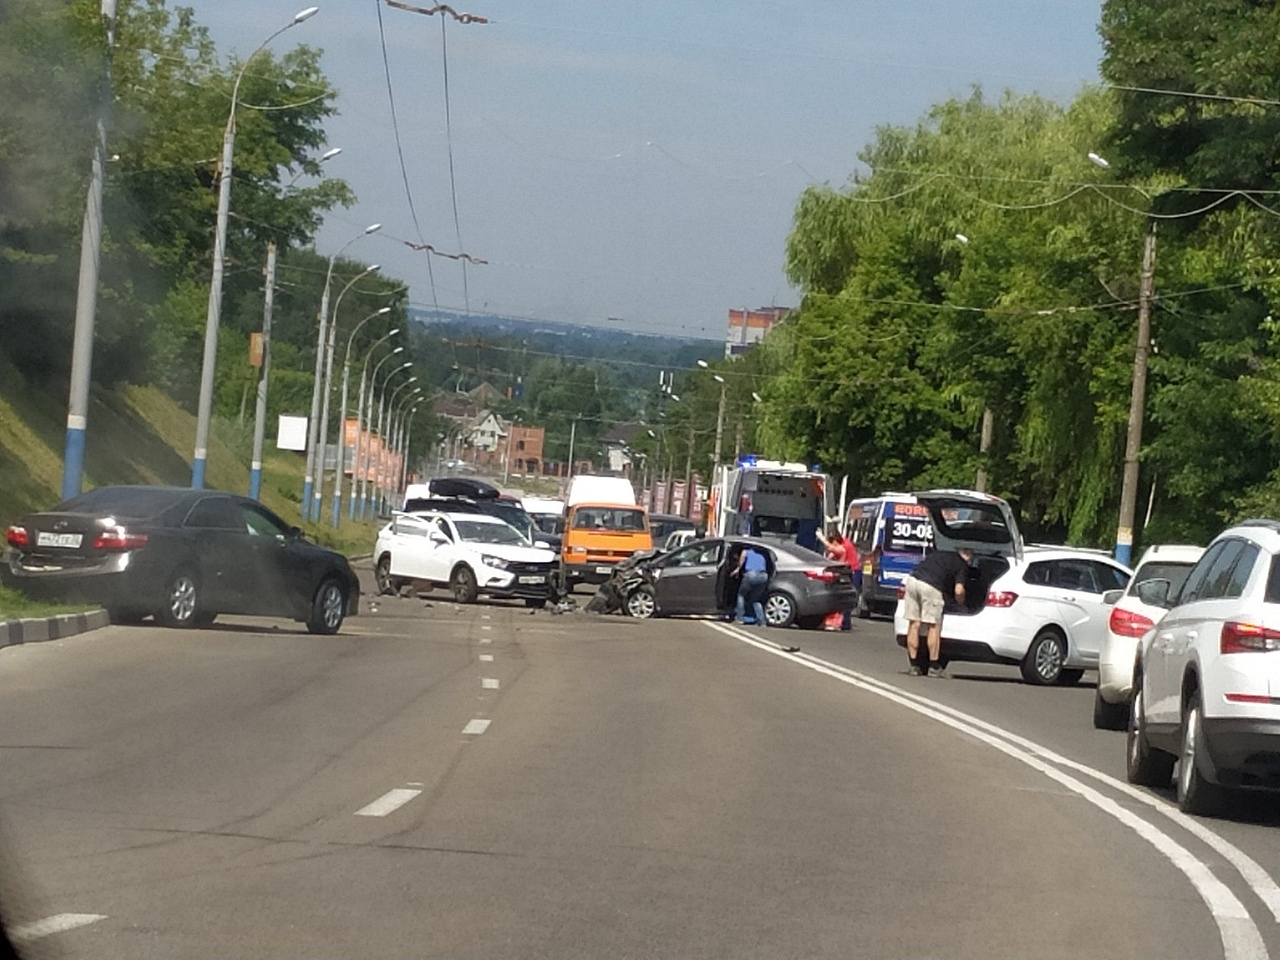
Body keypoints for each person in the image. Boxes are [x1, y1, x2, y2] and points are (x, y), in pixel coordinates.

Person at [903, 546, 974, 677]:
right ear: (968, 559)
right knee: (933, 626)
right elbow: (958, 590)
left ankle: (914, 666)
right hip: (931, 586)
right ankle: (934, 666)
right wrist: (961, 603)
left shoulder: (938, 554)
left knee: (914, 624)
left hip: (912, 581)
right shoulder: (961, 565)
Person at [816, 525, 852, 630]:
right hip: (831, 578)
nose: (832, 543)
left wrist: (821, 538)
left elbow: (831, 548)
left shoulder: (841, 549)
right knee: (831, 600)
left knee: (836, 602)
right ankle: (830, 622)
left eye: (833, 541)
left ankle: (835, 623)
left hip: (837, 577)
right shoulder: (835, 551)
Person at [732, 543, 770, 625]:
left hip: (751, 574)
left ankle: (739, 618)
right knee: (755, 599)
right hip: (763, 576)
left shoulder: (746, 551)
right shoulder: (763, 553)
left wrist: (737, 569)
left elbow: (741, 562)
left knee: (741, 595)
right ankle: (762, 621)